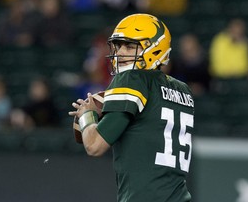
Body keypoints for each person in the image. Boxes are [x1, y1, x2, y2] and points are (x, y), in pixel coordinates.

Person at [69, 13, 194, 201]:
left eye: (129, 46)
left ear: (155, 48)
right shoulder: (183, 90)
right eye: (118, 46)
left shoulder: (132, 79)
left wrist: (87, 115)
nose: (120, 53)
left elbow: (94, 145)